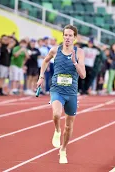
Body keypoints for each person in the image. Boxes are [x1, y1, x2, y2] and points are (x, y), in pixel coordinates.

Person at [36, 25, 86, 164]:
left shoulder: (80, 52)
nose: (67, 38)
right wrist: (41, 77)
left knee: (69, 126)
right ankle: (57, 130)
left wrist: (75, 62)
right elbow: (45, 61)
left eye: (70, 35)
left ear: (75, 38)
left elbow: (83, 75)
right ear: (63, 36)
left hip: (71, 92)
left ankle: (63, 149)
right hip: (57, 89)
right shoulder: (55, 50)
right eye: (66, 35)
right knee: (57, 114)